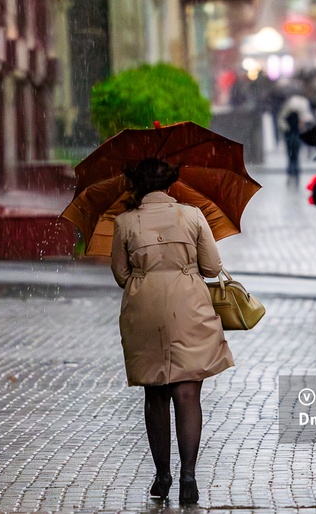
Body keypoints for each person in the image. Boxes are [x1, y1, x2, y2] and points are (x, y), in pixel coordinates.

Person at [110, 158, 234, 505]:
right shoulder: (192, 215)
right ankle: (189, 475)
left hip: (144, 308)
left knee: (156, 395)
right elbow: (210, 267)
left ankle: (162, 474)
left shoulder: (124, 222)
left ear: (136, 185)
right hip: (188, 306)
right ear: (169, 184)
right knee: (187, 394)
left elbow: (121, 274)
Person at [277, 93, 315, 182]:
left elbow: (282, 122)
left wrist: (287, 129)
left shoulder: (288, 114)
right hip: (295, 137)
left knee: (291, 156)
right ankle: (295, 172)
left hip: (290, 137)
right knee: (295, 156)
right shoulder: (299, 115)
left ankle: (291, 172)